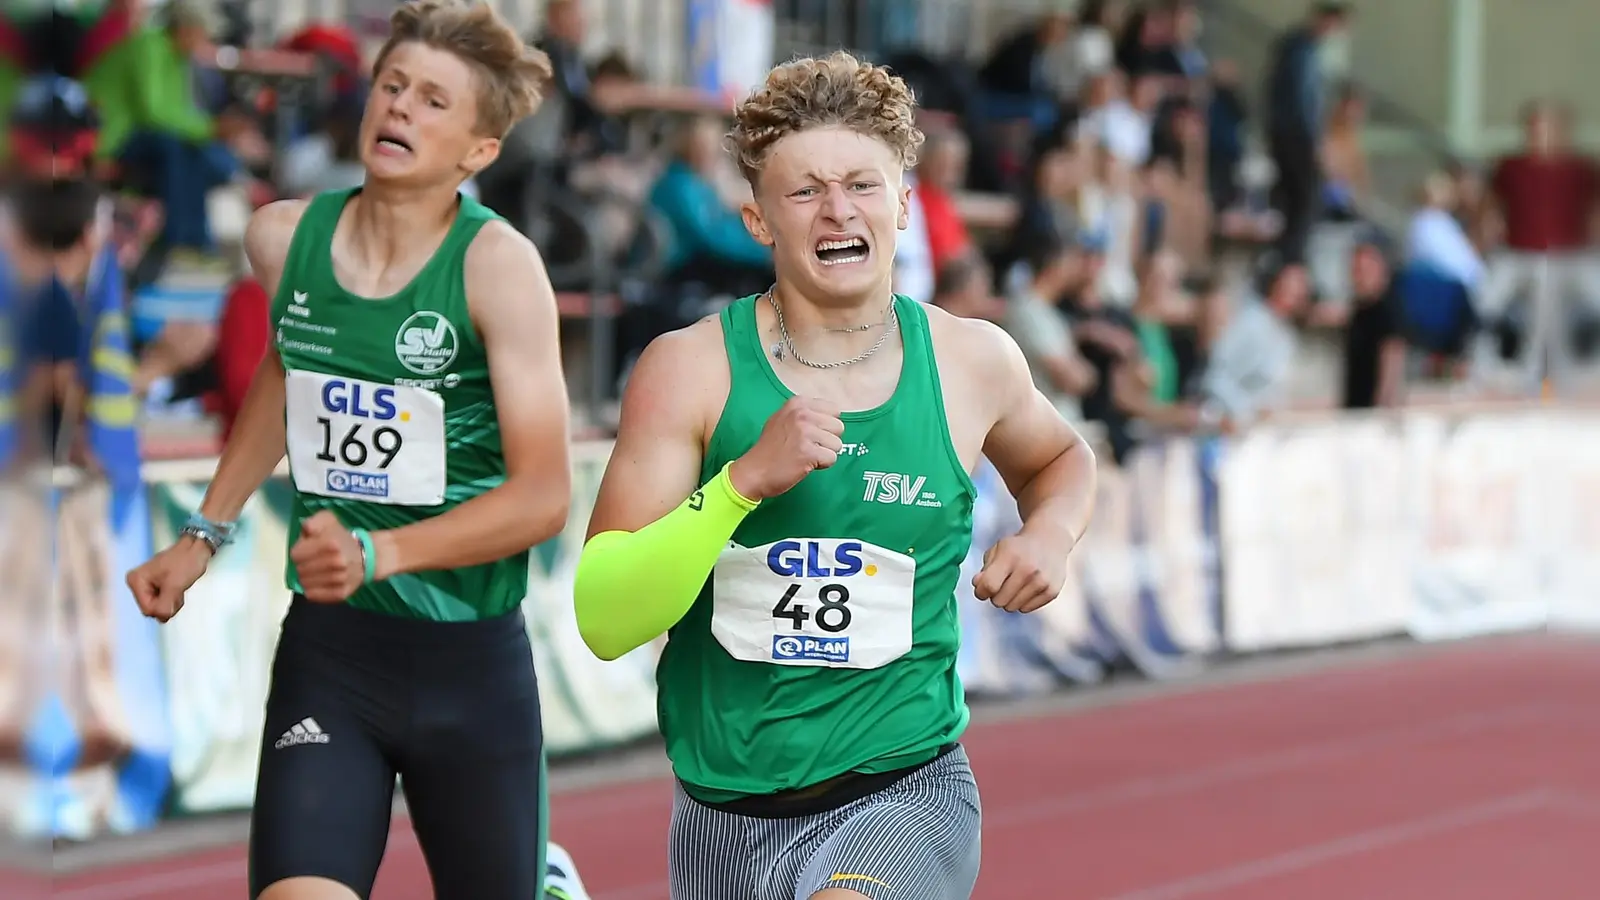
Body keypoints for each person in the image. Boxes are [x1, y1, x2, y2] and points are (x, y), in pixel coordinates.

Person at [572, 52, 1098, 900]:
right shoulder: (690, 371)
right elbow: (604, 616)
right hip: (724, 811)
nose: (837, 210)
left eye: (861, 184)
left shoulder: (972, 361)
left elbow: (1063, 458)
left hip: (904, 792)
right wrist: (738, 486)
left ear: (901, 201)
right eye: (805, 190)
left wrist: (1052, 534)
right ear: (757, 220)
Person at [123, 2, 587, 898]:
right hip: (334, 655)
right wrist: (201, 538)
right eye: (393, 87)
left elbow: (543, 497)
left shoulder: (499, 269)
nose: (402, 109)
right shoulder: (284, 238)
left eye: (434, 102)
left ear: (477, 152)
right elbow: (288, 371)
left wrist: (382, 551)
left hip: (471, 663)